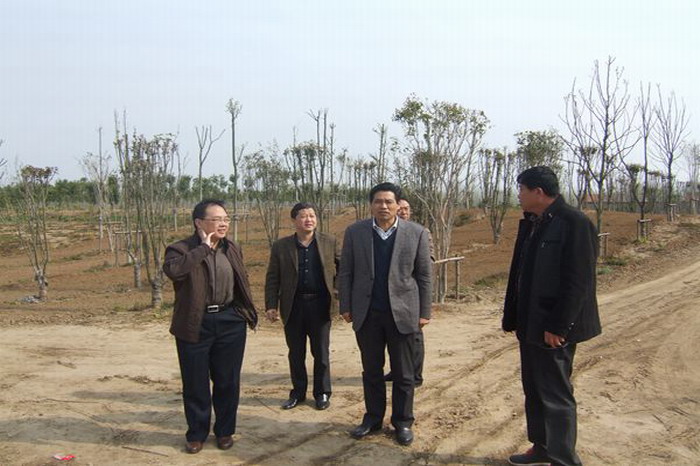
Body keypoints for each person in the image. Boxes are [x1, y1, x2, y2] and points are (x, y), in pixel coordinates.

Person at [503, 167, 601, 466]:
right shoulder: (534, 222)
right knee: (534, 389)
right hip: (530, 323)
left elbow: (579, 281)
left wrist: (559, 325)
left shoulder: (574, 223)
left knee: (555, 394)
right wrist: (513, 316)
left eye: (521, 189)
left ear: (538, 192)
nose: (518, 195)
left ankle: (563, 459)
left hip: (553, 327)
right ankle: (542, 446)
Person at [338, 182, 432, 446]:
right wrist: (345, 305)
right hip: (368, 314)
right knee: (371, 370)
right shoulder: (355, 232)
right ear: (371, 205)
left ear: (398, 205)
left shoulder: (416, 233)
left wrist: (425, 311)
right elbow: (346, 272)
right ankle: (373, 418)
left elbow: (424, 275)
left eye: (389, 201)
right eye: (378, 201)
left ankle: (403, 422)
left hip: (403, 313)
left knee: (404, 374)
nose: (383, 206)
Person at [163, 199, 258, 454]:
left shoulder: (231, 248)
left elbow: (241, 280)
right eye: (217, 219)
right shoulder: (180, 249)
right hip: (195, 323)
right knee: (195, 383)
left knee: (228, 381)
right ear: (199, 223)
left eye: (226, 219)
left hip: (230, 321)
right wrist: (203, 248)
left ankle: (225, 431)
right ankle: (196, 434)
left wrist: (242, 313)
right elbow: (174, 271)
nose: (223, 224)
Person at [264, 202, 339, 411]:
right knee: (296, 353)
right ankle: (298, 392)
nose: (309, 220)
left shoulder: (329, 242)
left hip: (320, 305)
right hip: (293, 306)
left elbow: (343, 268)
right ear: (294, 220)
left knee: (321, 352)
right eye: (304, 216)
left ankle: (322, 392)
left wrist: (337, 291)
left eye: (312, 215)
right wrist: (271, 305)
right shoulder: (281, 246)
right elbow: (273, 277)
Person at [384, 198, 428, 386]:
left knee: (414, 338)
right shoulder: (388, 233)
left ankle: (415, 374)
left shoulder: (419, 232)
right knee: (395, 339)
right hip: (391, 296)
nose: (403, 212)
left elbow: (426, 264)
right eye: (400, 209)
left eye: (406, 209)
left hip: (411, 295)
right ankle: (397, 370)